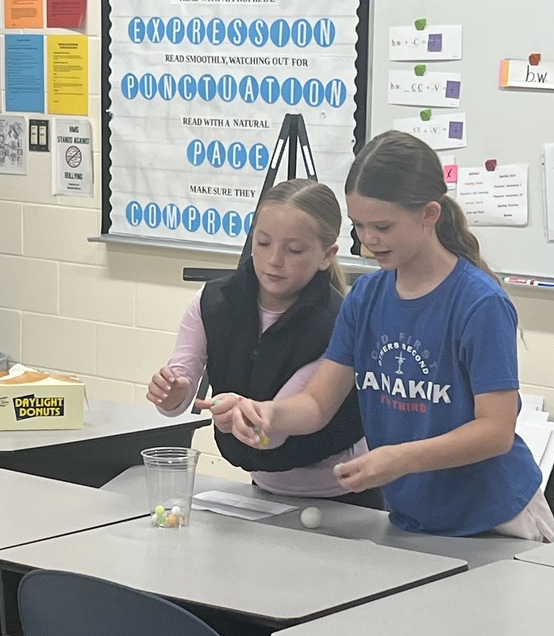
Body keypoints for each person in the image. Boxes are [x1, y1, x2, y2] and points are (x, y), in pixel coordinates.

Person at [220, 131, 554, 542]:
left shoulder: (479, 304)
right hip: (412, 516)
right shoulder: (365, 298)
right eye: (359, 226)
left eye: (382, 226)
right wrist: (269, 414)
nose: (368, 240)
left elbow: (496, 431)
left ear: (429, 214)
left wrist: (400, 459)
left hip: (496, 519)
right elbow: (316, 403)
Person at [147, 178, 382, 508]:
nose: (274, 260)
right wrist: (172, 393)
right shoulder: (212, 303)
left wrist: (242, 415)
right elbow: (177, 392)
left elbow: (271, 434)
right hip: (264, 491)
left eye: (294, 250)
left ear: (326, 256)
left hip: (344, 497)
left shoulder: (337, 324)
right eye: (263, 243)